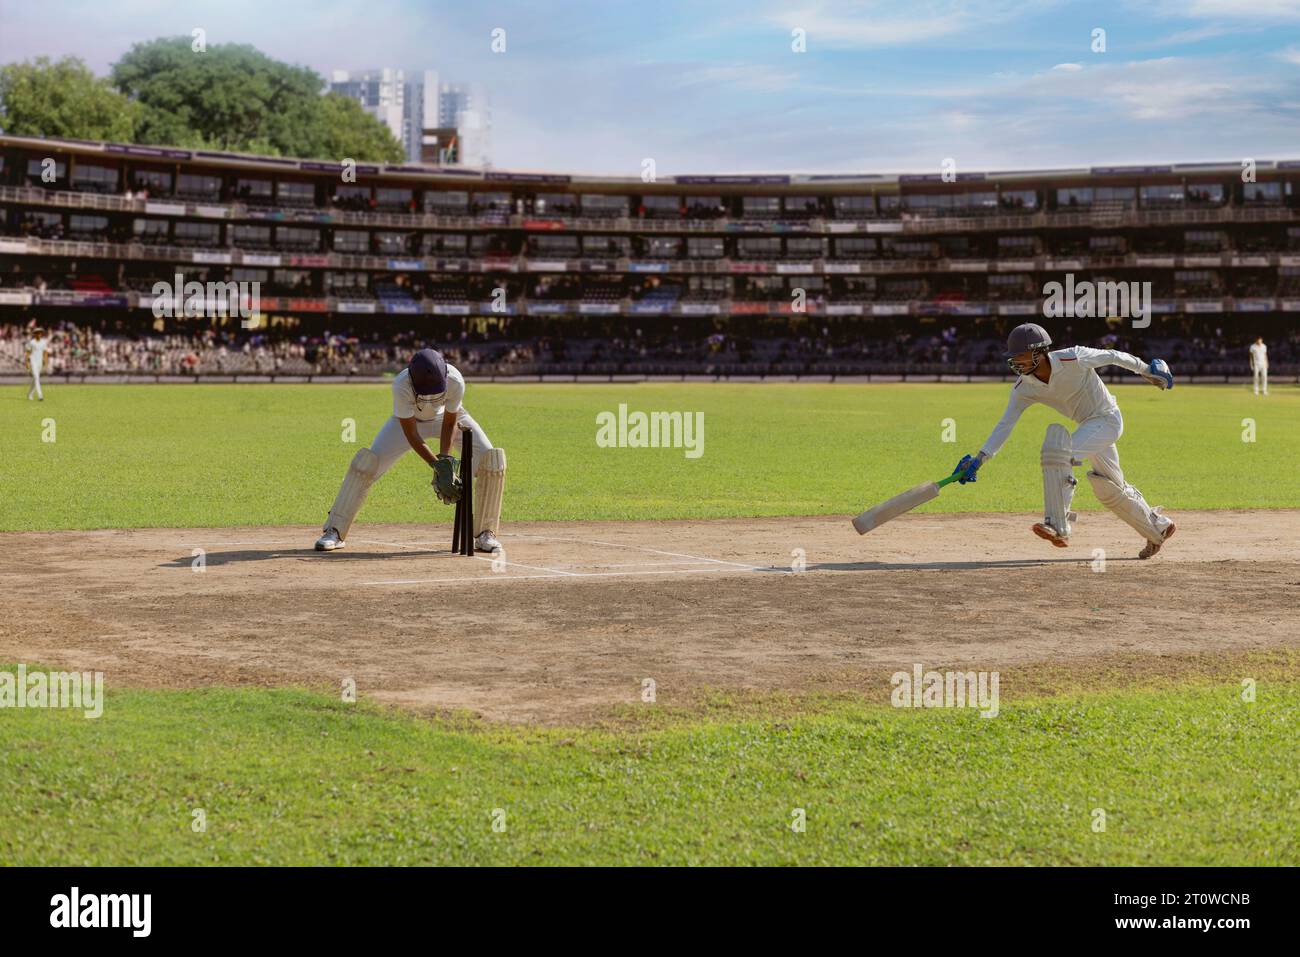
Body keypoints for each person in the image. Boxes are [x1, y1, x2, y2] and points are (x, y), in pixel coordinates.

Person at [951, 323, 1177, 559]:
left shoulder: (1073, 358)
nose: (1016, 361)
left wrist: (1146, 370)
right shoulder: (1024, 388)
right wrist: (980, 459)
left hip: (1107, 419)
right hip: (1088, 427)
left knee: (1061, 455)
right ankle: (1158, 528)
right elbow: (1005, 424)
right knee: (1109, 488)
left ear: (1039, 352)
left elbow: (1112, 355)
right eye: (1014, 357)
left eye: (1020, 355)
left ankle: (1059, 526)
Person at [315, 348, 506, 552]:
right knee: (366, 464)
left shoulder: (455, 380)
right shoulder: (401, 385)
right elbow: (411, 434)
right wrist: (436, 465)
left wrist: (445, 460)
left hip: (447, 418)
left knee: (491, 460)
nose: (432, 395)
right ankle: (335, 530)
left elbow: (450, 423)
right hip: (408, 422)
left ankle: (486, 533)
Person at [25, 327, 50, 400]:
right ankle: (40, 395)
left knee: (35, 379)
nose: (39, 334)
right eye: (37, 333)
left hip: (39, 362)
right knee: (36, 377)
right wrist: (26, 362)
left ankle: (29, 394)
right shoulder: (32, 342)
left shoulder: (43, 342)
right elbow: (28, 353)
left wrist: (46, 363)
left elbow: (45, 353)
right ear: (35, 334)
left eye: (40, 332)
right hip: (33, 361)